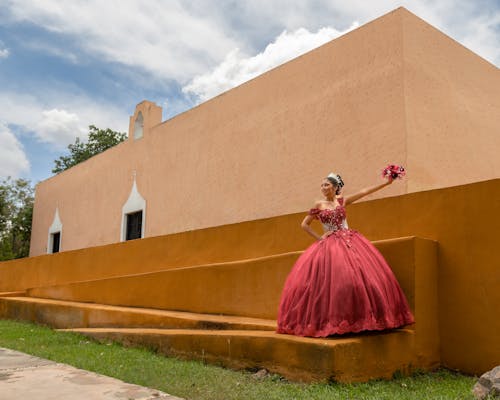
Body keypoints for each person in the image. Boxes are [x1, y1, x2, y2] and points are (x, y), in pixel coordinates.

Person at [277, 168, 414, 337]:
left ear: (335, 187)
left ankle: (364, 319)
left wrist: (387, 183)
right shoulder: (318, 205)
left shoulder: (341, 201)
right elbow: (304, 224)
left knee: (360, 279)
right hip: (330, 245)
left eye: (326, 184)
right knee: (330, 283)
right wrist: (320, 238)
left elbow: (364, 192)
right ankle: (330, 322)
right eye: (322, 184)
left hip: (349, 241)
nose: (323, 187)